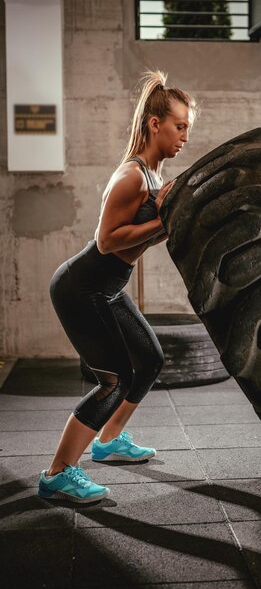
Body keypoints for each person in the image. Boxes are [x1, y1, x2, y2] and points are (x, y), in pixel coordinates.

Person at [38, 70, 197, 503]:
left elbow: (148, 233)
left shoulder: (154, 179)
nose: (185, 136)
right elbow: (107, 241)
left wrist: (169, 216)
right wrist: (163, 219)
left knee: (149, 359)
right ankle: (57, 472)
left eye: (188, 128)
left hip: (105, 287)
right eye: (180, 126)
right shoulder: (131, 176)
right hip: (81, 286)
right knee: (113, 379)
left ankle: (109, 442)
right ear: (155, 124)